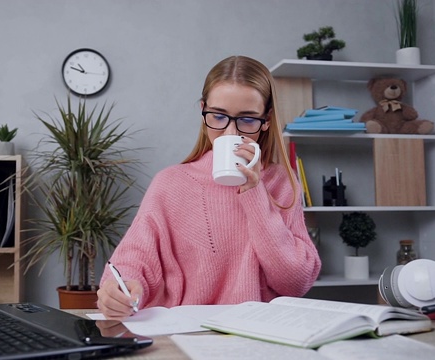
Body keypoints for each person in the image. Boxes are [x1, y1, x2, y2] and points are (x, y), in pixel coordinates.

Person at [96, 55, 321, 320]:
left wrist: (255, 192)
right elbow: (134, 260)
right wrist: (118, 290)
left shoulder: (282, 182)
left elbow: (296, 283)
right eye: (218, 116)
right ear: (203, 111)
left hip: (257, 336)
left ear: (267, 119)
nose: (230, 133)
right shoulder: (171, 183)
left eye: (247, 120)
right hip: (184, 334)